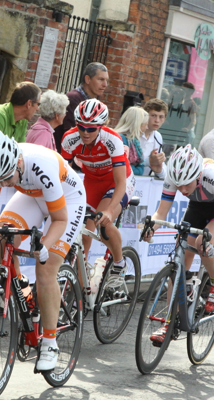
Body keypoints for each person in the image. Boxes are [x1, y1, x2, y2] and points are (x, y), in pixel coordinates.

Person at [0, 130, 86, 371]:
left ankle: (50, 343)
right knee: (0, 240)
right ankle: (26, 296)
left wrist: (45, 246)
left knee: (46, 267)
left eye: (7, 178)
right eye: (0, 180)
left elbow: (59, 219)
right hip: (33, 197)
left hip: (68, 202)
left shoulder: (41, 165)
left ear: (19, 161)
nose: (4, 184)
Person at [142, 145, 214, 343]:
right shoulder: (175, 177)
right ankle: (169, 322)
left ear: (198, 175)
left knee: (202, 243)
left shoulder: (213, 177)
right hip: (199, 206)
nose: (182, 190)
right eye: (178, 185)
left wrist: (212, 245)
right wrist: (151, 227)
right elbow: (161, 213)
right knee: (180, 256)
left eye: (187, 184)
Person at [61, 99, 135, 287]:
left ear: (101, 126)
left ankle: (119, 263)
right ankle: (80, 287)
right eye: (81, 127)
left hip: (117, 182)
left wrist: (110, 211)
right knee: (84, 234)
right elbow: (62, 176)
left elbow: (120, 182)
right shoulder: (69, 139)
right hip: (92, 182)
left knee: (103, 224)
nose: (85, 132)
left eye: (91, 129)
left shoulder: (112, 140)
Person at [53, 62, 109, 153]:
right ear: (87, 79)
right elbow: (71, 134)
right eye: (101, 79)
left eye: (106, 80)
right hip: (65, 155)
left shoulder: (92, 102)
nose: (105, 84)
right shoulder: (73, 99)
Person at [116, 106, 149, 176]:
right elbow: (125, 168)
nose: (147, 128)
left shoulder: (133, 142)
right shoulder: (120, 139)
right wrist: (138, 169)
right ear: (138, 125)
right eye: (145, 125)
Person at [141, 98, 168, 178]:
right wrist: (149, 161)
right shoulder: (135, 134)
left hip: (144, 182)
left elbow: (162, 169)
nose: (157, 120)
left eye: (161, 117)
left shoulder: (158, 136)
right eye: (153, 115)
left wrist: (159, 171)